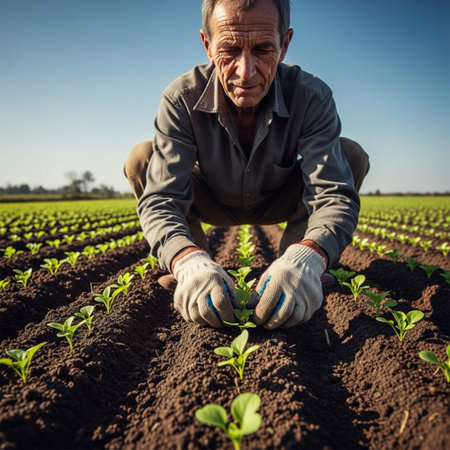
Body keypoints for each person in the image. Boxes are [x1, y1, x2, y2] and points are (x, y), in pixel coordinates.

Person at [124, 0, 370, 330]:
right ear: (207, 46)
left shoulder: (311, 96)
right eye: (230, 49)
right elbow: (162, 200)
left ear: (285, 45)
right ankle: (192, 273)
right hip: (210, 199)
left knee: (350, 156)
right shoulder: (181, 97)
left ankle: (298, 272)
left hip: (277, 197)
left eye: (263, 49)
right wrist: (187, 260)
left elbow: (334, 195)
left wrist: (309, 258)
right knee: (142, 159)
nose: (246, 71)